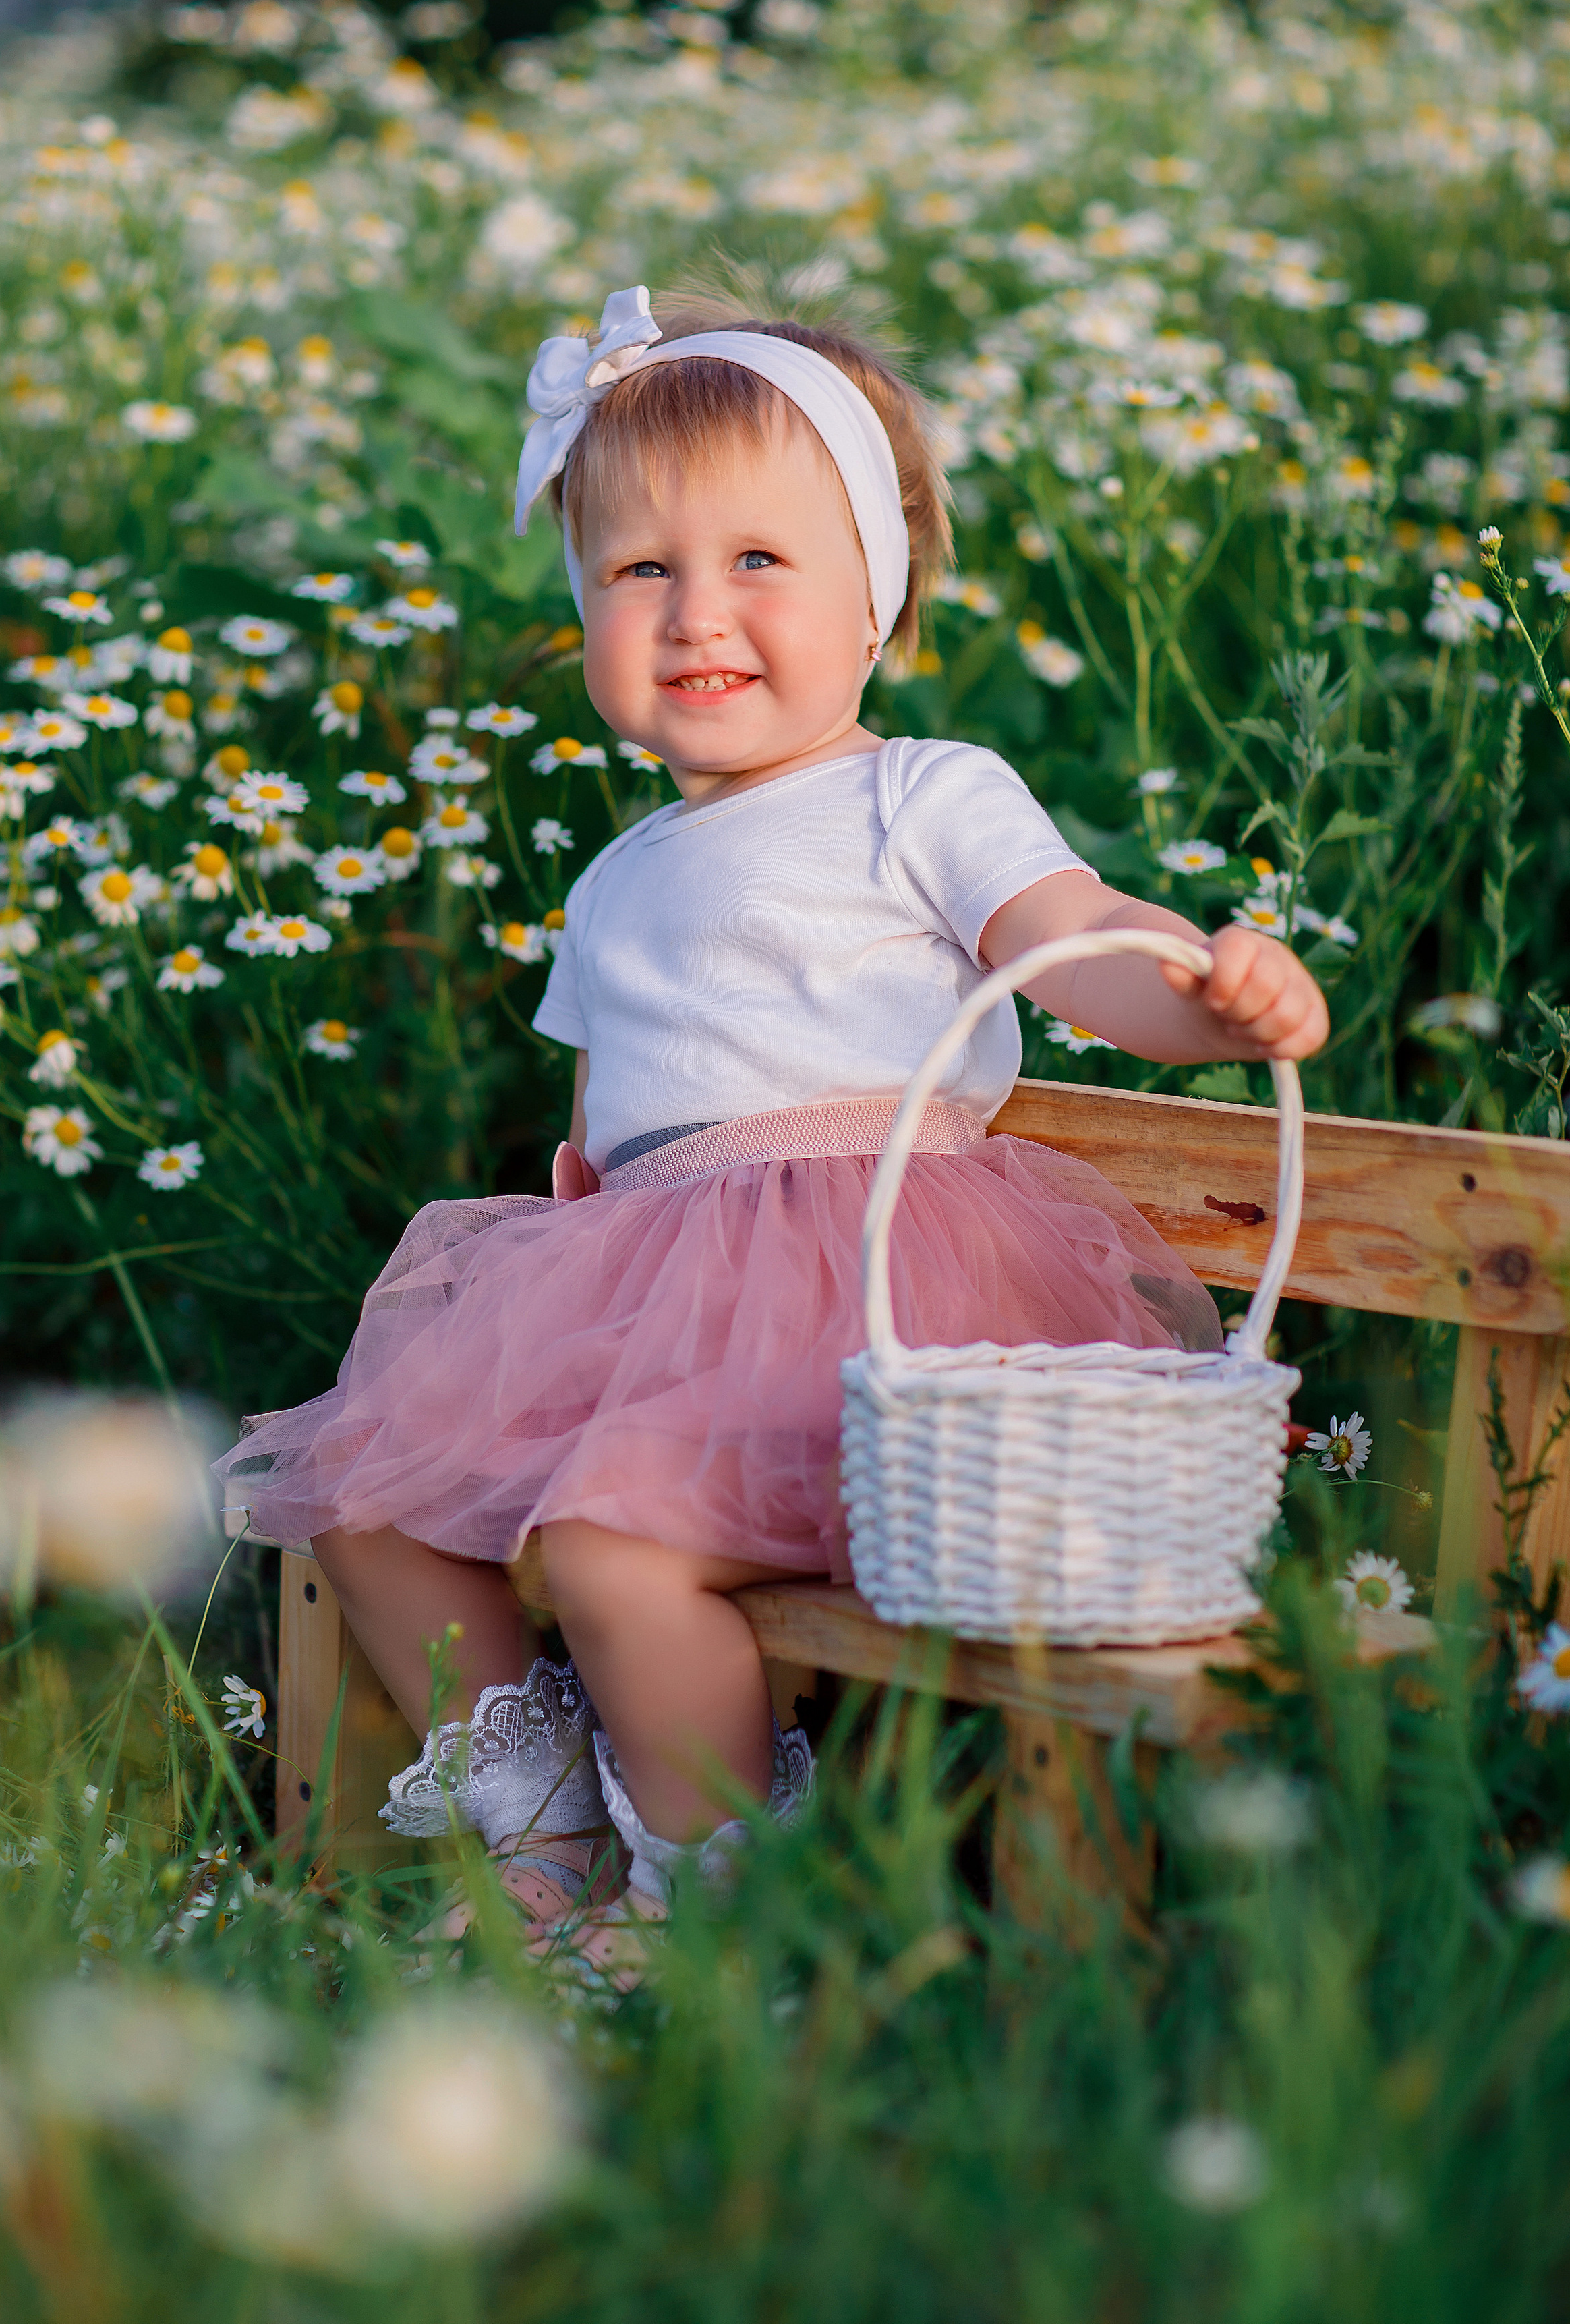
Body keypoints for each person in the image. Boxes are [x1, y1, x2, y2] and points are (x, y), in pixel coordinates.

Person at [215, 275, 1327, 1966]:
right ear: (584, 606)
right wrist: (572, 1223)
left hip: (862, 1284)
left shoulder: (918, 795)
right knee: (365, 1502)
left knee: (610, 1549)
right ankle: (546, 1837)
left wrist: (1209, 999)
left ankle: (721, 1905)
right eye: (637, 570)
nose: (692, 614)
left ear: (870, 599)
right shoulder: (614, 878)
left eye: (756, 562)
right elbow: (607, 1121)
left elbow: (1070, 940)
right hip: (639, 1287)